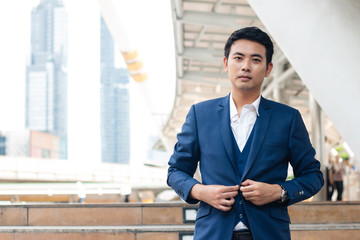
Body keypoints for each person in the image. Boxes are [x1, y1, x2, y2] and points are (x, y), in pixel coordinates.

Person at [167, 27, 324, 240]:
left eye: (255, 60)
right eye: (238, 58)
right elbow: (176, 171)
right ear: (226, 63)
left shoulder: (288, 118)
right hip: (213, 233)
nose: (245, 67)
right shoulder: (200, 115)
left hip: (269, 233)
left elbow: (313, 175)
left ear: (268, 69)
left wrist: (279, 191)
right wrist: (201, 192)